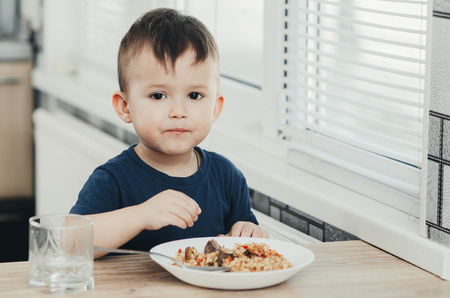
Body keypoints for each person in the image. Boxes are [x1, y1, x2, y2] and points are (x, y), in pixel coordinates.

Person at [70, 7, 268, 258]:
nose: (178, 111)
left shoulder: (227, 177)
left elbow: (244, 246)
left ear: (215, 108)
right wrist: (140, 215)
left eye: (194, 95)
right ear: (125, 106)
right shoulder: (113, 179)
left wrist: (251, 233)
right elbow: (70, 245)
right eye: (158, 95)